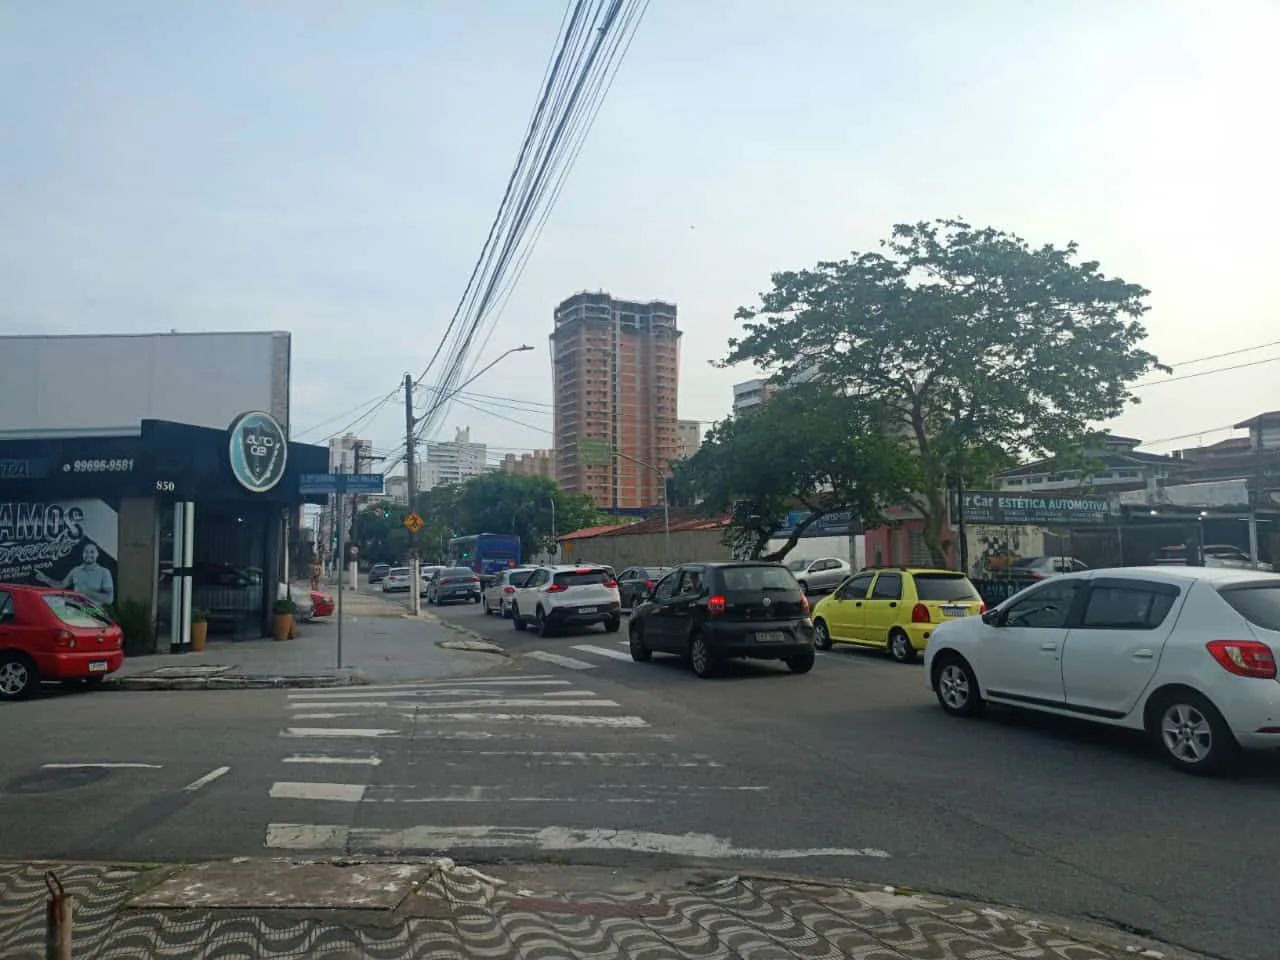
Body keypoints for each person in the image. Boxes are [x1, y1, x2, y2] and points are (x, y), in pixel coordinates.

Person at [36, 542, 115, 605]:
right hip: (76, 613)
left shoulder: (104, 572)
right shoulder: (76, 570)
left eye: (92, 552)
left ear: (97, 554)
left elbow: (109, 599)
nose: (88, 555)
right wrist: (45, 579)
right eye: (86, 552)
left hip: (95, 615)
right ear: (82, 554)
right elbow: (61, 585)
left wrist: (87, 591)